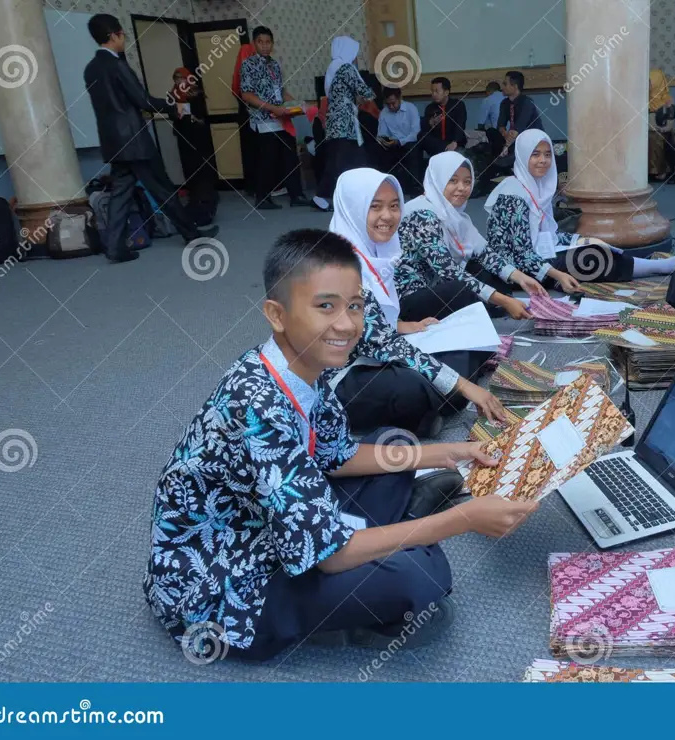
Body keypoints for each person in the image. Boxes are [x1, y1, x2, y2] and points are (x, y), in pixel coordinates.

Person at [142, 228, 539, 662]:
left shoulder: (299, 364)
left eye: (354, 306)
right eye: (325, 306)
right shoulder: (258, 403)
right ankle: (368, 563)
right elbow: (331, 558)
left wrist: (452, 452)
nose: (347, 324)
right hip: (224, 581)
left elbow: (337, 456)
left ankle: (391, 532)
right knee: (420, 576)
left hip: (271, 525)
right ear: (277, 314)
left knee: (394, 444)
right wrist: (463, 520)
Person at [327, 168, 508, 437]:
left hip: (379, 353)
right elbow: (381, 343)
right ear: (352, 208)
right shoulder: (336, 266)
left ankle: (435, 405)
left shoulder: (378, 250)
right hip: (343, 374)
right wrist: (464, 386)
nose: (387, 216)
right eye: (374, 207)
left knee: (460, 349)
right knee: (415, 388)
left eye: (393, 206)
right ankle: (433, 405)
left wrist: (401, 325)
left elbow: (377, 326)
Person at [83, 14, 217, 264]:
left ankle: (114, 247)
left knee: (120, 195)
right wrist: (173, 106)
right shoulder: (118, 66)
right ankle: (191, 235)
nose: (124, 39)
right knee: (164, 189)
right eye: (122, 34)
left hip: (113, 142)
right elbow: (142, 100)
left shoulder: (90, 69)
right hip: (135, 141)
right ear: (114, 35)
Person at [484, 130, 675, 291]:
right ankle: (661, 267)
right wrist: (557, 274)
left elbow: (548, 236)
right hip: (516, 270)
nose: (543, 160)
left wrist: (582, 239)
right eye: (535, 154)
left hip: (537, 255)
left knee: (590, 244)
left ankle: (652, 265)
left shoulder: (534, 187)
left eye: (547, 155)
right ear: (521, 157)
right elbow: (521, 254)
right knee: (591, 257)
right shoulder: (514, 195)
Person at [397, 152, 548, 321]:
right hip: (409, 298)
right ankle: (492, 305)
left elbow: (485, 254)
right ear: (437, 180)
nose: (462, 188)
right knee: (459, 289)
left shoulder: (456, 216)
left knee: (485, 271)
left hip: (436, 287)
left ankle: (488, 306)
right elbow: (449, 272)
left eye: (467, 182)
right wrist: (504, 300)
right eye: (453, 181)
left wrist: (521, 278)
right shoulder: (421, 215)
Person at [239, 26, 310, 210]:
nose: (264, 46)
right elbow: (246, 95)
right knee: (268, 160)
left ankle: (297, 195)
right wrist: (272, 108)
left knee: (290, 157)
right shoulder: (248, 65)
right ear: (254, 44)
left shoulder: (275, 65)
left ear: (272, 44)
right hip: (264, 120)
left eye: (268, 42)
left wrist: (297, 104)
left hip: (282, 119)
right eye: (260, 42)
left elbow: (281, 92)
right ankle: (262, 198)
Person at [314, 36, 374, 210]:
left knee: (342, 161)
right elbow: (364, 91)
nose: (356, 59)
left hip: (335, 123)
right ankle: (343, 197)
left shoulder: (332, 68)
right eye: (354, 54)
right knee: (347, 162)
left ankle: (326, 197)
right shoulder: (345, 67)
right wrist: (377, 94)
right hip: (345, 123)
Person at [377, 87, 422, 195]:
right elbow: (381, 134)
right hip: (392, 144)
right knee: (377, 150)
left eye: (393, 103)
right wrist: (385, 141)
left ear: (400, 98)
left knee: (413, 149)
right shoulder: (384, 113)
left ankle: (416, 188)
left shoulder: (411, 108)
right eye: (388, 104)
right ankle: (386, 187)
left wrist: (400, 141)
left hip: (409, 142)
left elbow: (416, 133)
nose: (391, 107)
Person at [496, 70, 544, 159]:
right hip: (516, 139)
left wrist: (507, 145)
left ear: (514, 86)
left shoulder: (527, 102)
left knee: (505, 158)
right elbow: (500, 125)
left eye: (505, 84)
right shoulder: (504, 103)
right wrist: (504, 133)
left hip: (533, 141)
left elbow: (519, 127)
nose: (502, 87)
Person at [231, 42, 258, 196]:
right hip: (251, 112)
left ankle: (253, 186)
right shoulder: (248, 69)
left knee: (250, 151)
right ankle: (256, 186)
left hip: (246, 113)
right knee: (255, 151)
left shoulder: (239, 71)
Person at [420, 77, 467, 157]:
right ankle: (445, 150)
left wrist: (454, 142)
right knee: (420, 135)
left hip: (454, 143)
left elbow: (460, 125)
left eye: (437, 91)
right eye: (432, 91)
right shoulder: (430, 108)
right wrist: (431, 123)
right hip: (437, 145)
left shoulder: (458, 105)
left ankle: (447, 151)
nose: (433, 94)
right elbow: (425, 129)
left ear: (446, 92)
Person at [647, 68, 675, 182]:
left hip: (663, 131)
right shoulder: (642, 99)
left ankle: (660, 171)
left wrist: (662, 128)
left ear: (657, 82)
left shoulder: (668, 99)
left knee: (656, 137)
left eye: (649, 81)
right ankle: (647, 171)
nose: (647, 85)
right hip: (646, 130)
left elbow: (670, 121)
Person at [479, 80, 506, 153]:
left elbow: (481, 124)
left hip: (498, 138)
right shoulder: (507, 97)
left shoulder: (487, 100)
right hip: (512, 135)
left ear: (488, 91)